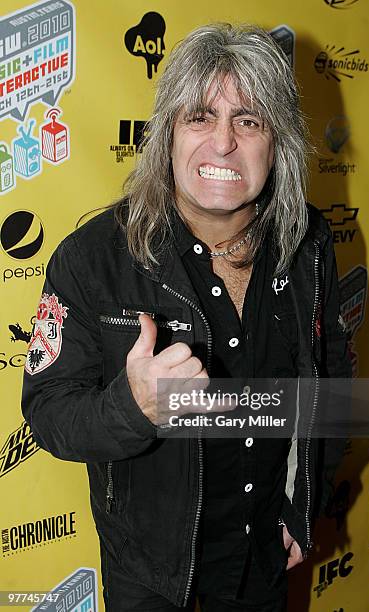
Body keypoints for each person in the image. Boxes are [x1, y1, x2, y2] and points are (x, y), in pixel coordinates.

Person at [22, 23, 351, 611]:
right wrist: (136, 407)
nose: (223, 143)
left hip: (264, 560)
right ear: (167, 134)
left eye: (249, 120)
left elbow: (332, 376)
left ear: (279, 143)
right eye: (200, 117)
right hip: (152, 575)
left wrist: (304, 504)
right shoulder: (93, 258)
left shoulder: (309, 243)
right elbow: (48, 411)